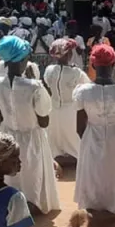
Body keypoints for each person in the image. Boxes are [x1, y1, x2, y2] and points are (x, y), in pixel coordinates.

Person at [61, 44, 115, 227]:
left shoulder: (83, 92)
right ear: (113, 64)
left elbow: (80, 126)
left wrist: (89, 142)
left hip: (91, 137)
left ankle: (91, 211)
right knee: (114, 175)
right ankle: (111, 211)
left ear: (93, 65)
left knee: (93, 175)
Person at [0, 36, 60, 215]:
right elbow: (44, 121)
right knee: (32, 175)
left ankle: (11, 206)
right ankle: (32, 206)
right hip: (32, 137)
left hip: (7, 136)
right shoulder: (34, 87)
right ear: (22, 60)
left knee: (11, 176)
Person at [43, 39, 89, 169]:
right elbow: (87, 87)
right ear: (68, 54)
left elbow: (47, 85)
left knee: (55, 137)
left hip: (53, 109)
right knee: (74, 138)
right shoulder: (76, 72)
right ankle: (77, 157)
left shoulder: (49, 70)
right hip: (71, 110)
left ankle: (56, 158)